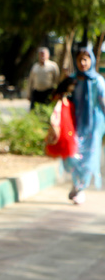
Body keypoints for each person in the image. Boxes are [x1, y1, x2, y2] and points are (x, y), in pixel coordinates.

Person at [62, 46, 105, 205]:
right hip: (73, 125)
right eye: (79, 59)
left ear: (91, 61)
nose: (82, 62)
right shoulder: (72, 79)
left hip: (93, 127)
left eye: (85, 59)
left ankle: (80, 189)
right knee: (73, 156)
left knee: (87, 159)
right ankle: (76, 185)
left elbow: (103, 103)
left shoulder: (97, 81)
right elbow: (60, 98)